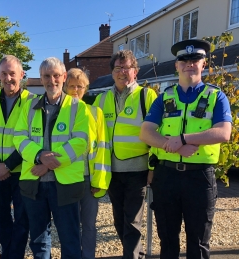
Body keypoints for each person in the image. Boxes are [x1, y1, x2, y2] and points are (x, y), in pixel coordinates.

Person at [140, 39, 232, 259]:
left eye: (195, 60)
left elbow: (223, 132)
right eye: (184, 60)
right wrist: (172, 145)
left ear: (204, 64)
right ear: (176, 65)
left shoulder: (216, 96)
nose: (189, 64)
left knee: (199, 243)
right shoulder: (165, 97)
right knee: (167, 240)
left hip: (200, 179)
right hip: (167, 176)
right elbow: (146, 133)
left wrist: (182, 138)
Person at [13, 57, 90, 259]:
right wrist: (39, 156)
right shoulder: (29, 107)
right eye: (47, 76)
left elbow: (80, 142)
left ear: (64, 77)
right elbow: (19, 137)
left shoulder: (78, 107)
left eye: (56, 75)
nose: (52, 80)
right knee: (38, 240)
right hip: (34, 184)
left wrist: (47, 165)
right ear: (41, 78)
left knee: (70, 239)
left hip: (65, 184)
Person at [93, 50, 157, 259]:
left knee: (132, 221)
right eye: (118, 68)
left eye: (126, 67)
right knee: (119, 220)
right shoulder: (101, 100)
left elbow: (158, 132)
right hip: (111, 171)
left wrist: (152, 169)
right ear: (112, 73)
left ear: (135, 71)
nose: (122, 72)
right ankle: (135, 254)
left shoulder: (146, 96)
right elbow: (89, 132)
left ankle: (131, 256)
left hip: (137, 171)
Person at [0, 55, 33, 258]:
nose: (8, 78)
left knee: (22, 219)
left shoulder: (32, 101)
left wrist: (7, 165)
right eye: (4, 73)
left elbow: (32, 138)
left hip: (21, 171)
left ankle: (13, 255)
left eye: (12, 73)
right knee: (1, 218)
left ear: (22, 74)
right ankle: (8, 252)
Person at [64, 68, 111, 259]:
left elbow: (102, 147)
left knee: (89, 224)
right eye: (72, 86)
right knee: (70, 224)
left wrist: (99, 180)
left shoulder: (95, 112)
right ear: (65, 87)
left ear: (86, 89)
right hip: (66, 178)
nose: (75, 90)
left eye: (80, 86)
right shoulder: (60, 111)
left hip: (88, 178)